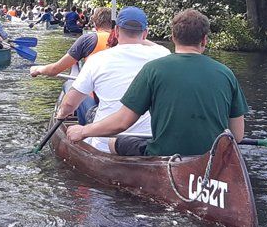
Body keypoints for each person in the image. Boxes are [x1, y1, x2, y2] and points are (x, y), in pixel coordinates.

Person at [66, 9, 249, 157]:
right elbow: (237, 135)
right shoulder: (227, 73)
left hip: (162, 154)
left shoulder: (154, 69)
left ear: (173, 37)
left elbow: (122, 123)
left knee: (113, 142)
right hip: (210, 158)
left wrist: (83, 131)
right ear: (205, 40)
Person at [55, 7, 169, 152]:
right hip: (147, 141)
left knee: (75, 93)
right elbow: (156, 46)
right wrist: (140, 38)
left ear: (116, 31)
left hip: (105, 145)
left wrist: (62, 114)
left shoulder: (97, 59)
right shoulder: (163, 55)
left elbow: (69, 104)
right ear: (145, 33)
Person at [31, 7, 114, 123]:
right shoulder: (124, 42)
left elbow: (54, 69)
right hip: (121, 108)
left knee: (69, 85)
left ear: (95, 23)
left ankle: (81, 125)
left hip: (99, 107)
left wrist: (38, 69)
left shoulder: (88, 40)